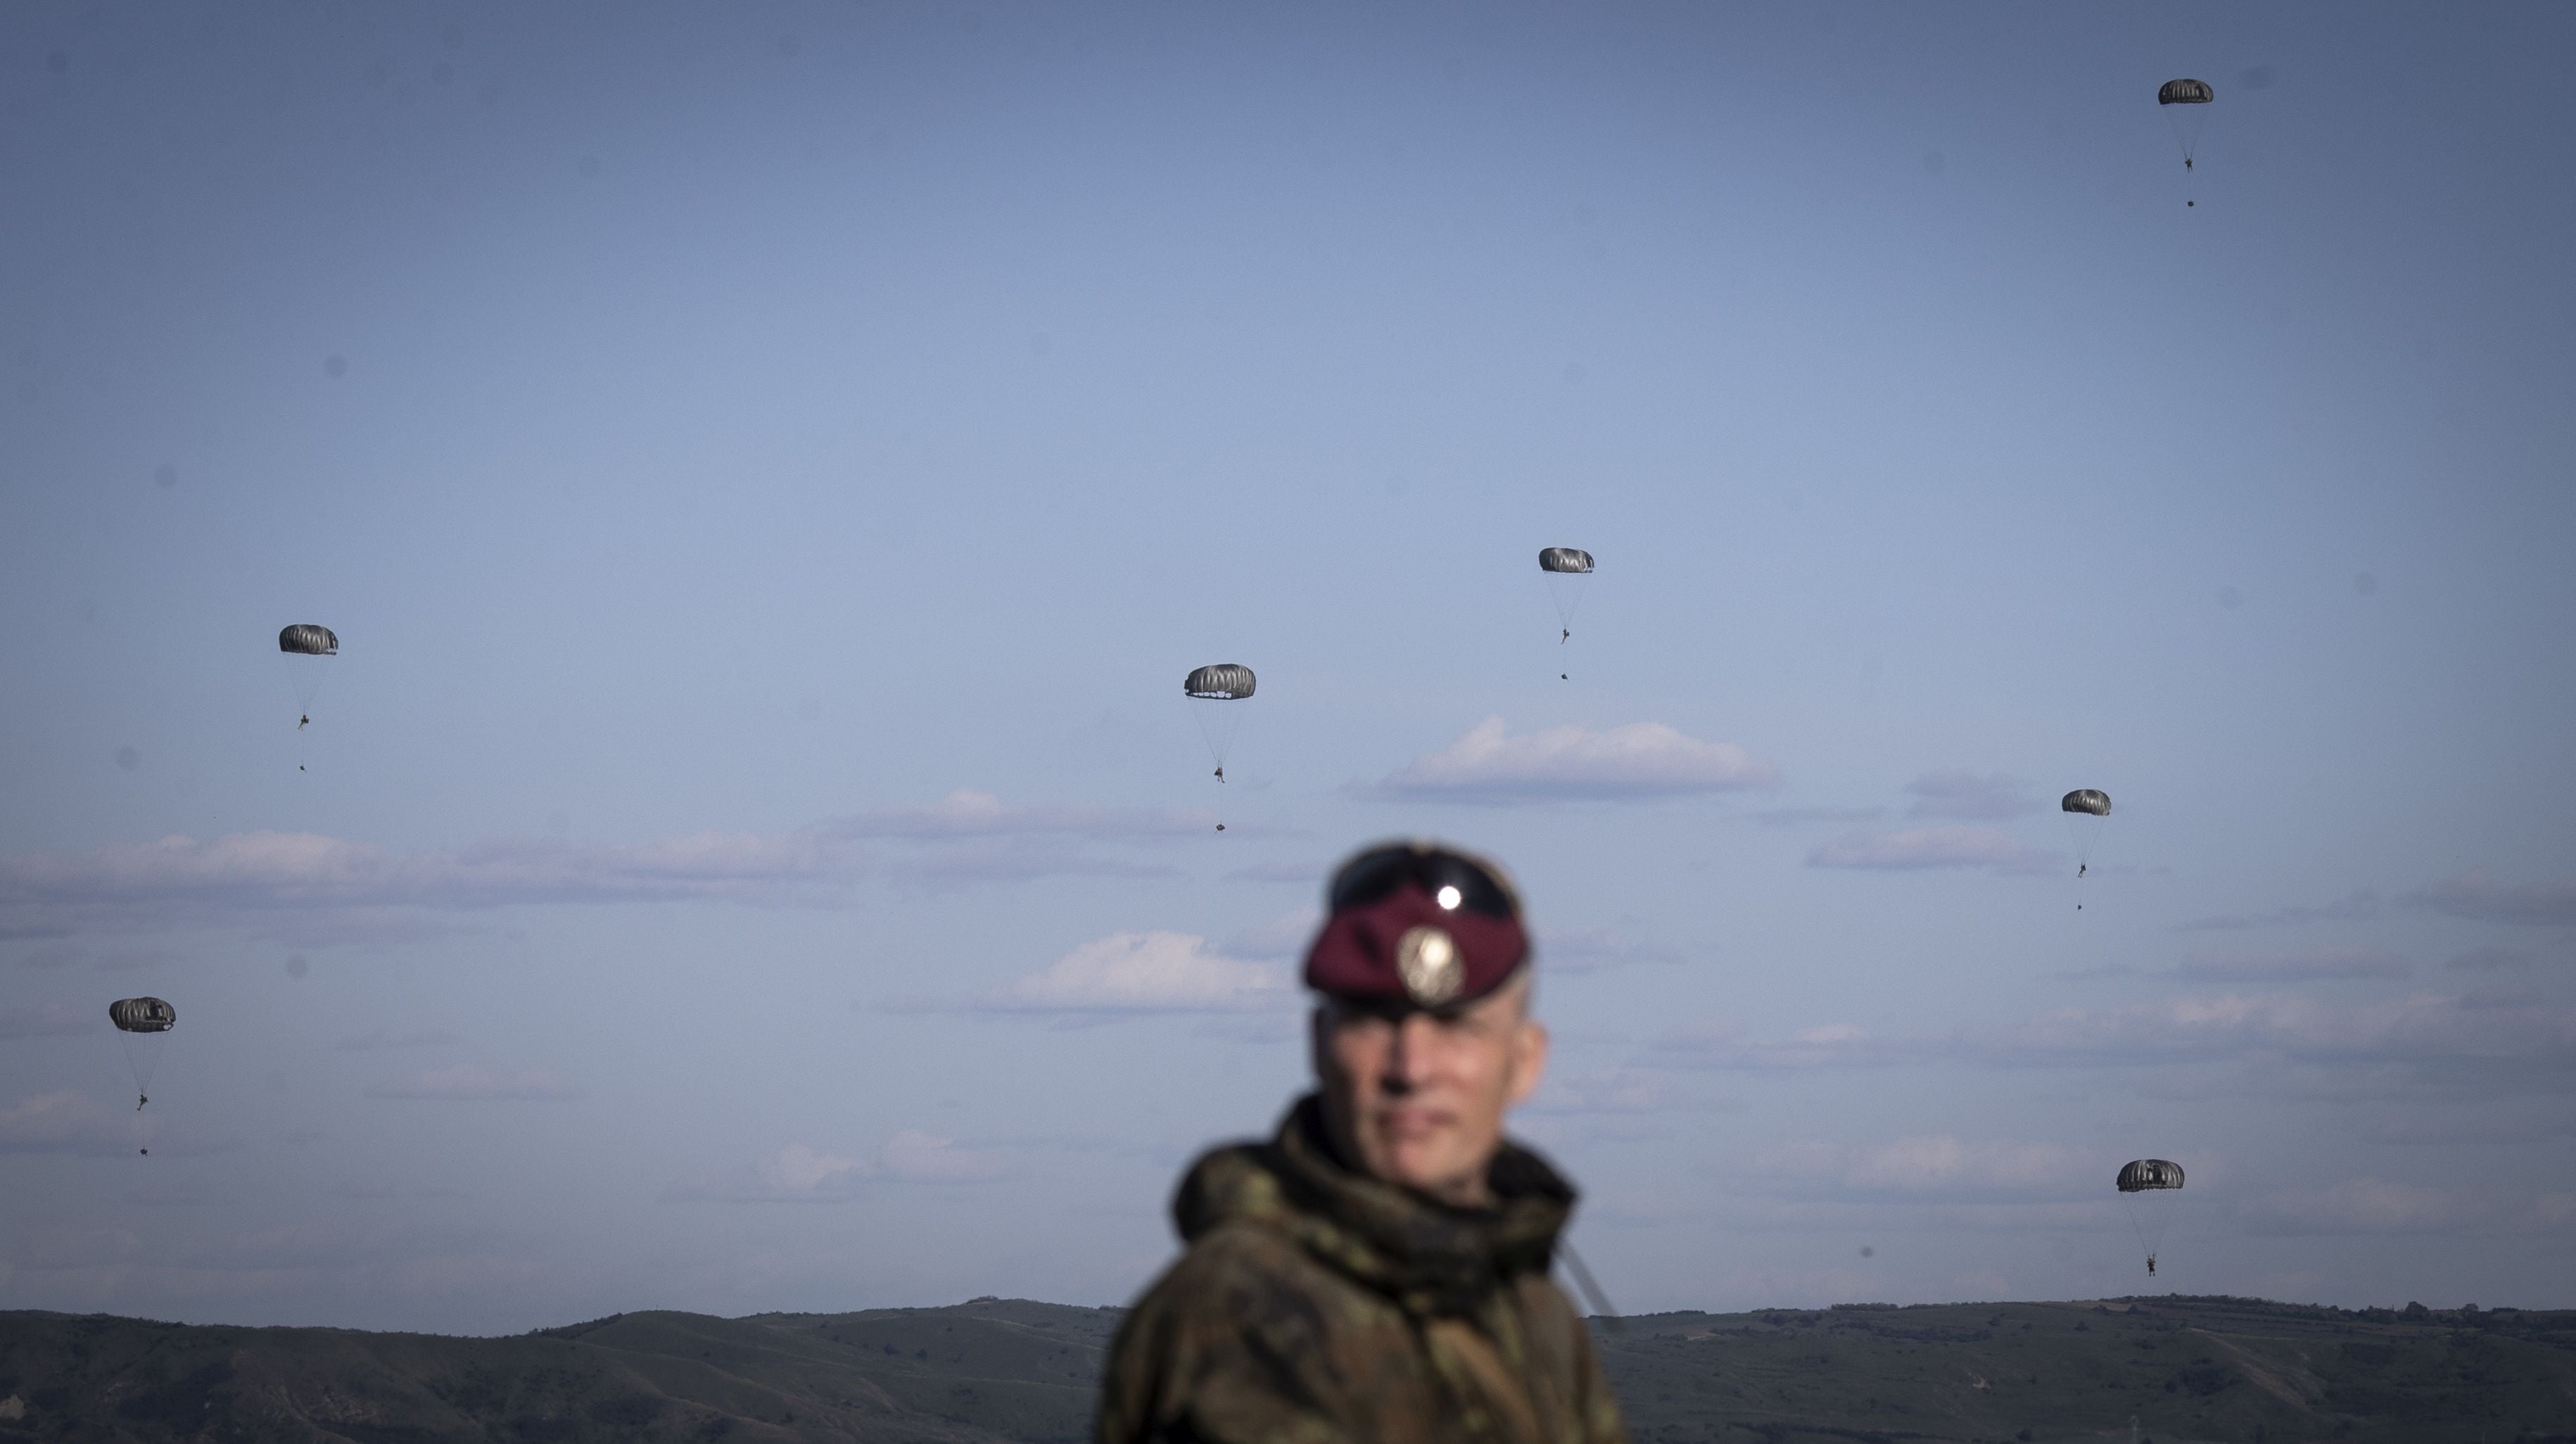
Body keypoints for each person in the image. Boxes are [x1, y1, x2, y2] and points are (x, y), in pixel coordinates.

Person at [1096, 841, 1628, 1444]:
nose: (1411, 1068)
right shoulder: (1240, 1309)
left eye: (1456, 1027)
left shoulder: (1536, 1317)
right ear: (1319, 1043)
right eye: (1372, 1020)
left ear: (1524, 1062)